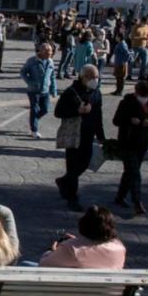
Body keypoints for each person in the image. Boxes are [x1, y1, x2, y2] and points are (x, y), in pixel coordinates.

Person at [38, 206, 126, 296]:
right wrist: (77, 241)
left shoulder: (71, 248)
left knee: (29, 266)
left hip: (74, 295)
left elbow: (44, 265)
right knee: (69, 272)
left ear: (84, 225)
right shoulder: (119, 247)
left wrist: (52, 250)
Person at [54, 65, 106, 210]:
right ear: (82, 77)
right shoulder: (71, 92)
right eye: (91, 77)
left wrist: (101, 136)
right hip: (73, 135)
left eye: (97, 77)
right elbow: (58, 112)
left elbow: (98, 115)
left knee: (84, 163)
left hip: (88, 135)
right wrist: (77, 110)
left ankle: (64, 181)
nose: (95, 80)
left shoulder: (96, 93)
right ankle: (72, 198)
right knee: (72, 166)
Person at [112, 80, 148, 214]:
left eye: (147, 96)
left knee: (130, 172)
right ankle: (137, 201)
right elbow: (116, 121)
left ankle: (120, 197)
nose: (145, 99)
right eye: (143, 96)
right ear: (136, 93)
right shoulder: (126, 103)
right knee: (134, 173)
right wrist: (129, 120)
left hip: (142, 142)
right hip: (127, 141)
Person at [20, 43, 58, 139]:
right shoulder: (32, 61)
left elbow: (52, 76)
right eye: (47, 52)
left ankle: (33, 120)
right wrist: (30, 82)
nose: (50, 54)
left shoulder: (50, 62)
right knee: (35, 109)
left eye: (51, 52)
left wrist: (54, 90)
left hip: (45, 90)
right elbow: (23, 72)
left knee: (45, 109)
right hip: (33, 90)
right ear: (41, 52)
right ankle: (34, 130)